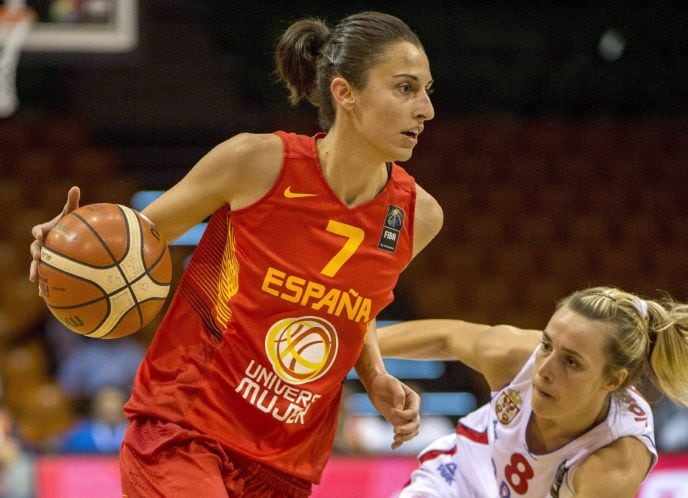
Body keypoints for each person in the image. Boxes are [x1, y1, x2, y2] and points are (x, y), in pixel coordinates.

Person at [28, 11, 442, 497]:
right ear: (345, 93)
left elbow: (355, 302)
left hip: (285, 458)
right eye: (406, 88)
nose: (426, 109)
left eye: (427, 90)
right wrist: (67, 248)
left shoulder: (418, 217)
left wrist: (373, 375)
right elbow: (134, 239)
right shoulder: (257, 162)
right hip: (186, 428)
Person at [377, 286, 688, 497]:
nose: (544, 369)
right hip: (458, 478)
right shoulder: (516, 357)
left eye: (571, 362)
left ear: (613, 380)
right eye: (546, 345)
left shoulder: (614, 460)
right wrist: (354, 352)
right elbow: (445, 337)